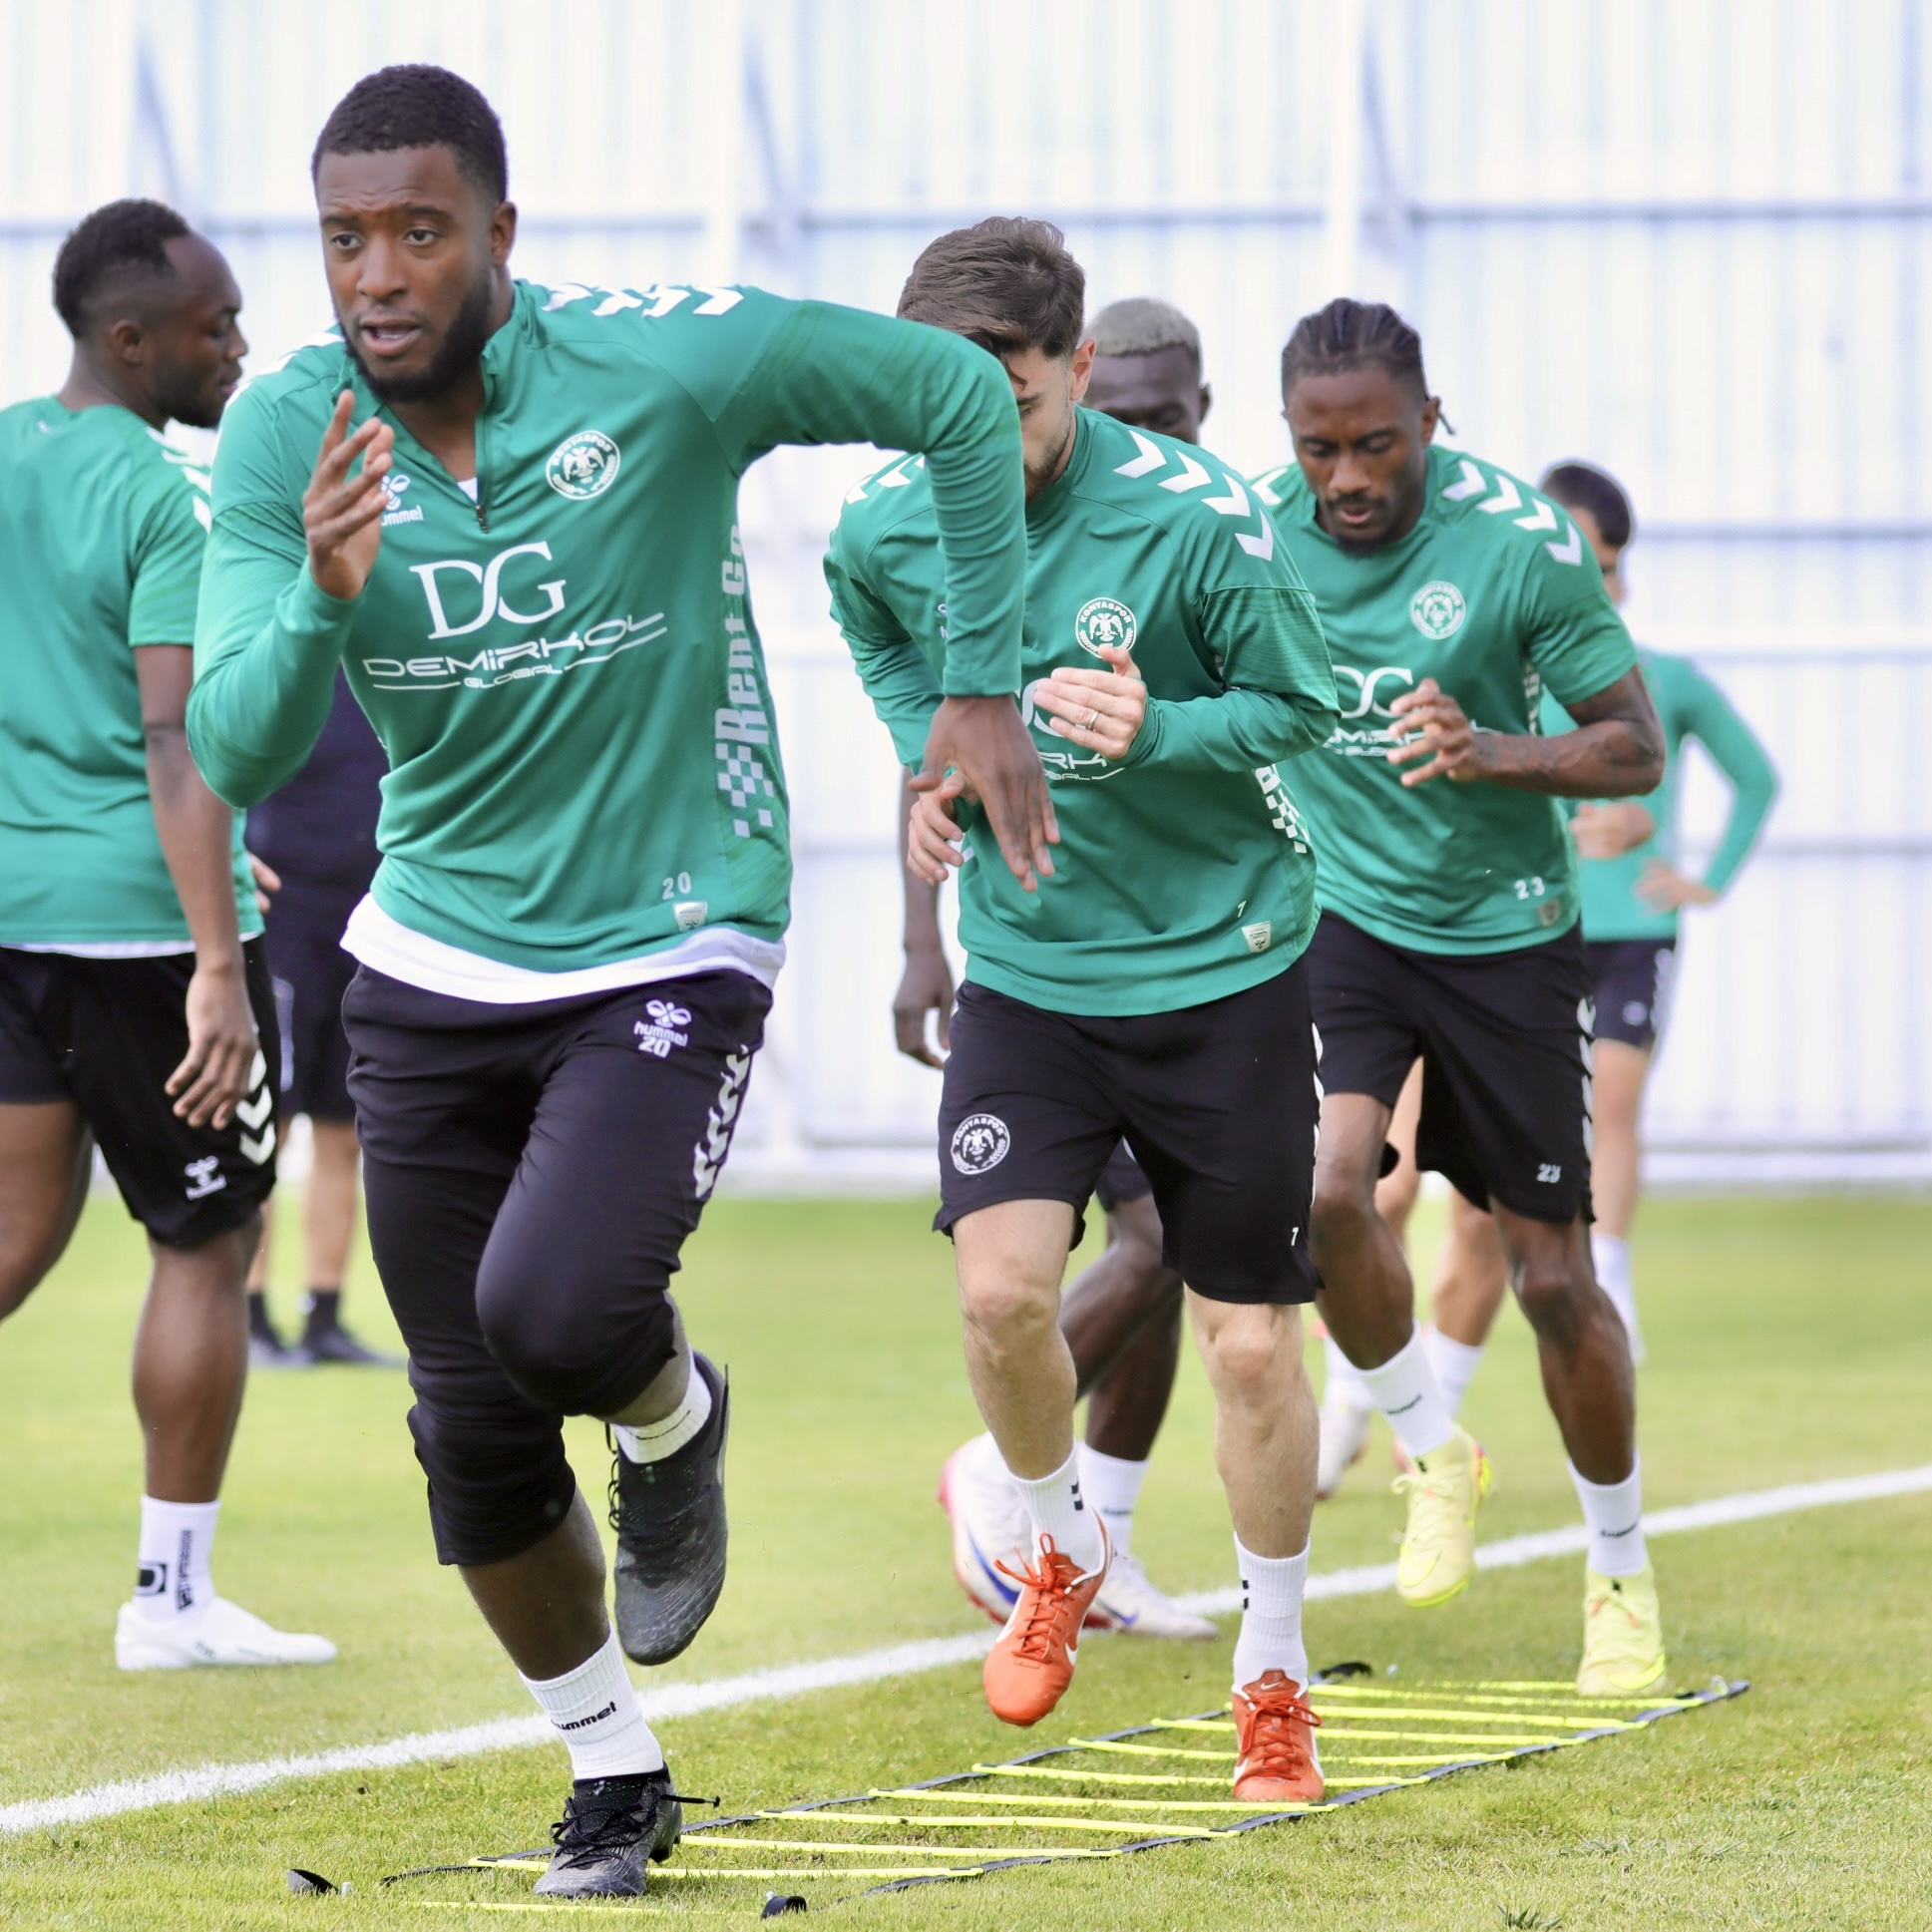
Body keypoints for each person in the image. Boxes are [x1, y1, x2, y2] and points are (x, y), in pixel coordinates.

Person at [189, 66, 1049, 1900]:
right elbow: (239, 747)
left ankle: (673, 1417)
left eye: (421, 231)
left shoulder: (667, 358)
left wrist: (978, 683)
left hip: (671, 927)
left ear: (501, 232)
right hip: (429, 953)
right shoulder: (285, 433)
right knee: (469, 1431)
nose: (379, 274)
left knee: (561, 1308)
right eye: (345, 239)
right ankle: (612, 1767)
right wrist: (323, 594)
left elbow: (959, 399)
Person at [827, 218, 1339, 1801]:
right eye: (940, 407)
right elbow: (879, 640)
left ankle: (1272, 1671)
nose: (975, 439)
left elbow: (1308, 704)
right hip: (1033, 977)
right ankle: (1060, 1550)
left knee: (1245, 1348)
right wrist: (936, 763)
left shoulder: (1198, 518)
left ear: (1079, 369)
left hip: (1221, 967)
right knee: (999, 1299)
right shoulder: (881, 523)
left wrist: (1158, 726)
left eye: (1012, 401)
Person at [1250, 298, 1671, 1698]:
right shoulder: (1251, 534)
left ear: (1429, 421)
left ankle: (1619, 1569)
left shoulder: (1520, 543)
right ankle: (1432, 1446)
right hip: (1346, 923)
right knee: (1329, 1196)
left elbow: (1632, 748)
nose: (1346, 478)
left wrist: (1491, 749)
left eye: (1376, 444)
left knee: (1549, 1276)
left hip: (1507, 937)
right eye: (1317, 448)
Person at [0, 199, 334, 1672]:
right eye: (216, 326)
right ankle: (173, 1600)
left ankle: (178, 1599)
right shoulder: (163, 494)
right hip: (142, 931)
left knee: (13, 1237)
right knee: (210, 1237)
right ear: (130, 340)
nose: (241, 347)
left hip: (13, 917)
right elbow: (175, 739)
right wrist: (216, 960)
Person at [913, 297, 1222, 1642]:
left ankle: (1104, 1543)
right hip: (1055, 969)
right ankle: (1004, 1470)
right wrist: (918, 945)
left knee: (1182, 1258)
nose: (1147, 435)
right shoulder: (1016, 533)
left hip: (1198, 963)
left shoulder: (1218, 536)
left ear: (1204, 412)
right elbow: (940, 756)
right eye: (1125, 412)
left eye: (1170, 416)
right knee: (1156, 1242)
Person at [1409, 462, 1778, 1381]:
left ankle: (1607, 1276)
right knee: (1436, 1167)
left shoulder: (1663, 680)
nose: (1590, 578)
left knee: (1611, 1100)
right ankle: (1382, 1374)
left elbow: (1754, 778)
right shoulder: (1492, 676)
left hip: (1631, 929)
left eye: (1603, 562)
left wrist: (1702, 877)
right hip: (1526, 925)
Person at [244, 668, 399, 1366]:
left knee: (344, 1132)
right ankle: (250, 1318)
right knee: (266, 1126)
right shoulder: (288, 668)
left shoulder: (391, 668)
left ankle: (324, 1319)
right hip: (284, 923)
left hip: (370, 925)